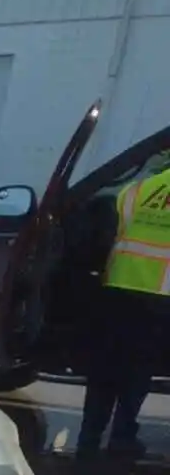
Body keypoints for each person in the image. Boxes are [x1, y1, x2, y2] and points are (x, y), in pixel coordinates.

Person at [79, 155, 170, 457]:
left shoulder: (136, 189)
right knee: (137, 372)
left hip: (117, 289)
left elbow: (110, 235)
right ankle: (122, 435)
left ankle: (89, 433)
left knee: (104, 368)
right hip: (159, 296)